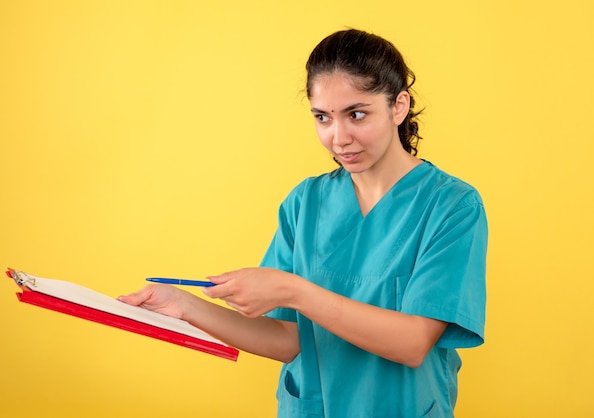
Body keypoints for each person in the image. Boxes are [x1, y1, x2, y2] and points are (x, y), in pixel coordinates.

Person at [118, 28, 487, 418]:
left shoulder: (452, 206)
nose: (339, 137)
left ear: (398, 107)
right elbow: (287, 339)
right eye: (323, 117)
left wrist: (293, 291)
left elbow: (413, 343)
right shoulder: (305, 203)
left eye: (356, 114)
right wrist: (186, 306)